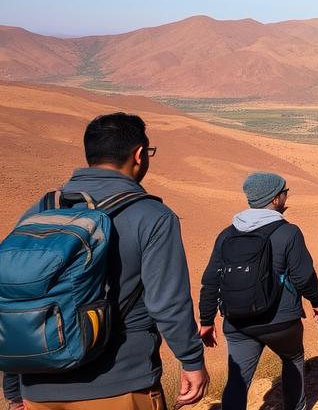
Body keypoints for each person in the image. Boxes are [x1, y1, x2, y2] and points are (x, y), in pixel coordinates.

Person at [1, 113, 209, 410]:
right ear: (139, 155)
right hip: (120, 384)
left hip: (38, 389)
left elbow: (14, 297)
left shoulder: (38, 212)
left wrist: (13, 386)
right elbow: (167, 302)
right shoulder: (151, 216)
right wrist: (191, 360)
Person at [198, 173, 318, 410]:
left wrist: (206, 320)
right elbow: (303, 276)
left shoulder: (227, 235)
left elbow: (211, 282)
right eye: (285, 192)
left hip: (238, 323)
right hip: (282, 322)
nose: (287, 196)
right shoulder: (289, 232)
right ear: (276, 198)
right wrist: (317, 301)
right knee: (293, 360)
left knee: (237, 380)